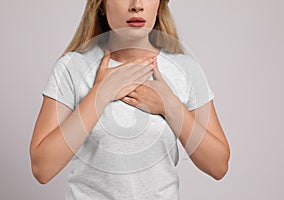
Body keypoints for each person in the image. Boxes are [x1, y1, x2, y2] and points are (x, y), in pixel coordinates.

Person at [30, 0, 230, 199]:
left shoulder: (184, 68)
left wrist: (170, 106)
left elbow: (218, 166)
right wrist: (100, 94)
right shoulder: (73, 67)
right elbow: (42, 169)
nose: (137, 5)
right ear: (100, 5)